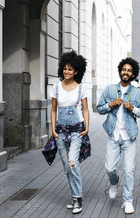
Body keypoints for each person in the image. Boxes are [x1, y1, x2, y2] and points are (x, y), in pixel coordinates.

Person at [97, 58, 140, 214]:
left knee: (129, 170)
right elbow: (99, 109)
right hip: (113, 136)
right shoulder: (109, 90)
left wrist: (133, 108)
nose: (126, 72)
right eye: (124, 69)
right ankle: (114, 184)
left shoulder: (138, 93)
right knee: (109, 168)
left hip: (129, 137)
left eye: (129, 70)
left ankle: (128, 201)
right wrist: (110, 104)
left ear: (132, 74)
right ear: (120, 71)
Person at [51, 51, 90, 214]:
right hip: (60, 131)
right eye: (65, 69)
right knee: (67, 166)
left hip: (76, 130)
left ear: (76, 71)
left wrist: (86, 128)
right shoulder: (56, 87)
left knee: (73, 162)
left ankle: (78, 198)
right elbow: (53, 110)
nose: (67, 71)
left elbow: (86, 110)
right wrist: (53, 129)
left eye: (70, 69)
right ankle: (74, 196)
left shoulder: (81, 88)